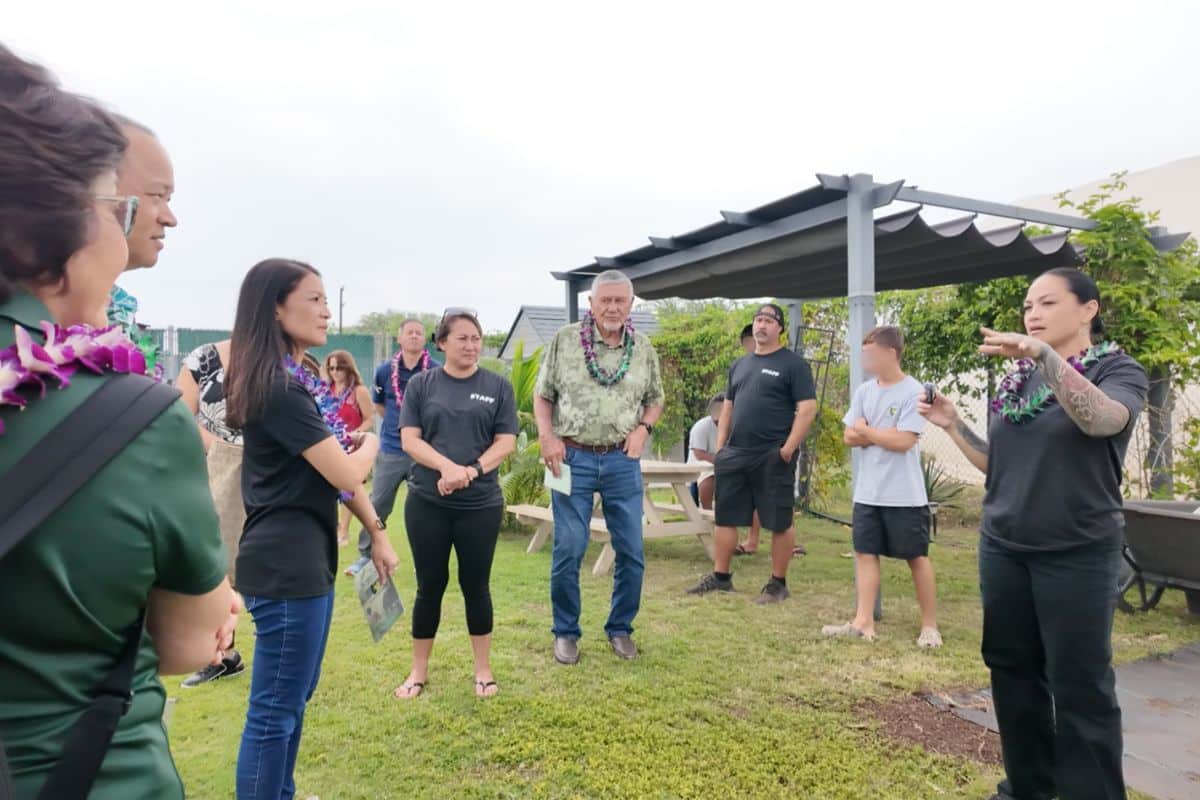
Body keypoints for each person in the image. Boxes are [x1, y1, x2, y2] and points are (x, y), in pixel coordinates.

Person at [0, 45, 237, 799]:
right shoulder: (127, 418)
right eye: (113, 203)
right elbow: (189, 642)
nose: (132, 222)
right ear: (47, 232)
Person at [919, 267, 1147, 800]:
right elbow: (998, 465)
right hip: (1005, 546)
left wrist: (1045, 357)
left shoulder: (1119, 369)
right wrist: (953, 425)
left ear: (1088, 309)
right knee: (1013, 675)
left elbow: (1105, 421)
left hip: (1077, 550)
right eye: (1027, 307)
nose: (1033, 314)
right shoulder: (1017, 380)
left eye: (1046, 303)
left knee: (1080, 685)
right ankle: (1026, 789)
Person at [224, 258, 399, 800]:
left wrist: (378, 530)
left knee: (293, 697)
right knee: (275, 707)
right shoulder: (279, 386)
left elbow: (337, 482)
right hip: (284, 564)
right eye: (315, 300)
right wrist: (373, 441)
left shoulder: (296, 379)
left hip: (308, 555)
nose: (327, 311)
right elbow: (346, 470)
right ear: (276, 308)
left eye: (326, 300)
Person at [535, 270, 665, 664]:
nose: (611, 308)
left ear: (630, 305)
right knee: (569, 546)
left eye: (619, 301)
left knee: (631, 548)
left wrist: (644, 429)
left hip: (622, 460)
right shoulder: (565, 341)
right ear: (591, 304)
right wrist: (546, 436)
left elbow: (655, 399)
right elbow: (544, 396)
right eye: (604, 300)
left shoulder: (642, 348)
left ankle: (621, 628)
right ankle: (566, 632)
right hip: (570, 457)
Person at [393, 310, 518, 699]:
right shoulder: (421, 386)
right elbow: (410, 439)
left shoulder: (498, 387)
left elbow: (506, 441)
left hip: (479, 504)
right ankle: (418, 672)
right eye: (462, 338)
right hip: (427, 502)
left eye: (476, 338)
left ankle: (483, 670)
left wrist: (472, 471)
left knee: (475, 586)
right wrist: (448, 468)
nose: (471, 345)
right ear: (442, 343)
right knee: (429, 587)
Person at [687, 303, 816, 603]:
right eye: (758, 320)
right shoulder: (740, 365)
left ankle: (777, 584)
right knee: (725, 517)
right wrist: (721, 448)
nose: (762, 325)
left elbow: (807, 409)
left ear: (779, 328)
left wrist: (787, 449)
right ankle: (720, 577)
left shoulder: (793, 365)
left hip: (772, 455)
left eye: (769, 321)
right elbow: (728, 407)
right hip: (735, 453)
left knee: (780, 521)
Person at [821, 326, 940, 647]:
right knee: (865, 553)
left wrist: (868, 431)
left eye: (870, 353)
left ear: (890, 353)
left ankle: (930, 627)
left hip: (905, 495)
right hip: (868, 493)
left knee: (916, 556)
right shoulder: (864, 392)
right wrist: (876, 433)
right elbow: (849, 437)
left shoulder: (914, 392)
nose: (864, 360)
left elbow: (903, 441)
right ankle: (863, 622)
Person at [176, 339, 249, 687]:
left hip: (273, 471)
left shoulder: (289, 358)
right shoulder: (205, 359)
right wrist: (217, 449)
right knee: (219, 562)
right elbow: (177, 413)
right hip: (218, 470)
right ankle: (223, 654)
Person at [346, 318, 431, 576]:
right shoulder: (384, 371)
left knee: (424, 509)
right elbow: (380, 406)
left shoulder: (435, 371)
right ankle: (365, 555)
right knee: (378, 503)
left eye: (419, 333)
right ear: (400, 338)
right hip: (392, 449)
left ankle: (425, 560)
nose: (415, 336)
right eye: (410, 332)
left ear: (424, 339)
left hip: (423, 451)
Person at [323, 349, 375, 545]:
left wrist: (355, 434)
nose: (335, 372)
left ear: (348, 368)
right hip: (328, 444)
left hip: (350, 444)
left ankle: (343, 531)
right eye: (331, 368)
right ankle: (332, 526)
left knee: (349, 488)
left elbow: (369, 417)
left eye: (339, 368)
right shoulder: (325, 390)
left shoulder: (358, 391)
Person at [687, 393, 723, 509]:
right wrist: (720, 461)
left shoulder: (732, 426)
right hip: (698, 463)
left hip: (722, 462)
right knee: (708, 470)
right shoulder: (701, 426)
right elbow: (699, 454)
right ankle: (707, 511)